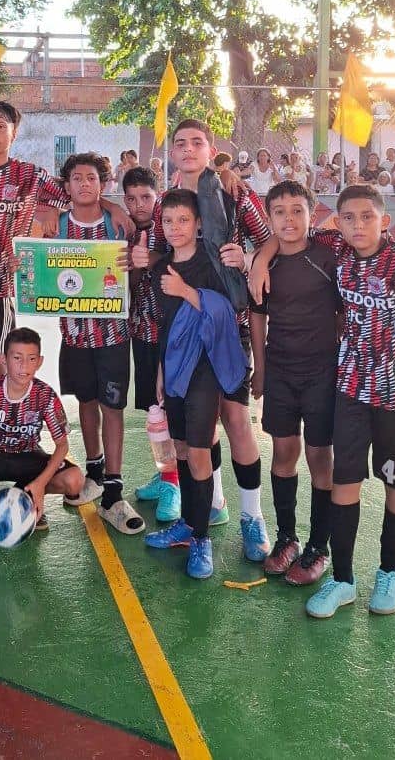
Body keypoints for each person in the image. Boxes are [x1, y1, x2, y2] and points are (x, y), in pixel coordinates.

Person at [251, 184, 395, 618]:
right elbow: (286, 234)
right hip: (351, 389)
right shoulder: (336, 248)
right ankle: (342, 579)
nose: (358, 225)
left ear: (385, 221)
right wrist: (261, 259)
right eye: (348, 218)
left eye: (367, 217)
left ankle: (390, 571)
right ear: (337, 223)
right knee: (344, 480)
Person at [0, 100, 131, 394]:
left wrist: (111, 206)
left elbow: (75, 193)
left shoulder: (29, 175)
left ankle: (5, 410)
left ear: (14, 132)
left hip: (0, 282)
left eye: (0, 126)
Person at [137, 119, 273, 562]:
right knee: (200, 427)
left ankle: (253, 517)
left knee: (235, 421)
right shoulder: (167, 201)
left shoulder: (234, 190)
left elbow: (270, 240)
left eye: (197, 142)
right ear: (172, 152)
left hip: (228, 328)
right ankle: (211, 503)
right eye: (180, 143)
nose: (188, 149)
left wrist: (249, 257)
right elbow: (164, 255)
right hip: (184, 335)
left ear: (211, 149)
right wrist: (143, 257)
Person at [143, 190, 248, 579]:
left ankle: (202, 538)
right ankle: (188, 524)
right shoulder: (161, 267)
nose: (175, 228)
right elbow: (165, 323)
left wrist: (186, 291)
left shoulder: (212, 262)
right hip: (173, 368)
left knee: (200, 452)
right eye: (168, 221)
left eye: (183, 220)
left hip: (204, 369)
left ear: (198, 223)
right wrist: (160, 370)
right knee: (183, 449)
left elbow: (226, 311)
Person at [249, 181, 338, 586]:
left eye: (297, 210)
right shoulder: (263, 265)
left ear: (311, 214)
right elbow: (258, 317)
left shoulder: (327, 256)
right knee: (284, 452)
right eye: (280, 212)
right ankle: (287, 538)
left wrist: (331, 351)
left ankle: (319, 546)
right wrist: (262, 368)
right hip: (281, 374)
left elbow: (341, 312)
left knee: (320, 457)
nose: (289, 219)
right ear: (269, 217)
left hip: (322, 374)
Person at [56, 152, 144, 534]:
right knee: (86, 402)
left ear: (103, 184)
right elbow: (41, 272)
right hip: (74, 334)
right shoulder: (56, 225)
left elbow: (134, 280)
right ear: (67, 185)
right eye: (76, 178)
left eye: (91, 178)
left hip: (112, 335)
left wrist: (133, 268)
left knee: (113, 407)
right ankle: (93, 471)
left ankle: (114, 489)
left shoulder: (118, 225)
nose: (84, 184)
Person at [0, 327, 84, 533]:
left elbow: (62, 445)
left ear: (39, 361)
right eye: (17, 358)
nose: (24, 366)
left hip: (25, 455)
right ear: (3, 359)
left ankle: (26, 495)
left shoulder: (45, 395)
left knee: (74, 480)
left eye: (31, 359)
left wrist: (40, 483)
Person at [123, 166, 181, 522]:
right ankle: (166, 475)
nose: (139, 205)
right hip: (141, 331)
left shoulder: (169, 228)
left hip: (172, 334)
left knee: (172, 408)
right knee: (154, 410)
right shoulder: (124, 233)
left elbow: (183, 265)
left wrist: (153, 258)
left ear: (157, 196)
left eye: (146, 197)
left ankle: (176, 484)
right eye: (131, 199)